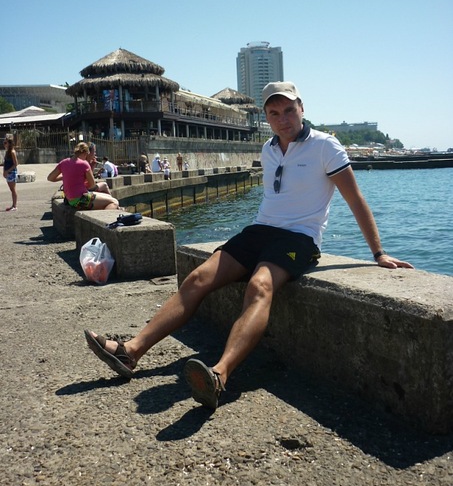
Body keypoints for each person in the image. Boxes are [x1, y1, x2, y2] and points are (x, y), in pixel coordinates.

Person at [84, 81, 414, 411]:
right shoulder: (268, 149)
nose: (283, 119)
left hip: (299, 238)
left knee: (259, 285)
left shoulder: (325, 146)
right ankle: (131, 351)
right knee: (198, 278)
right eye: (275, 113)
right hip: (258, 231)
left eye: (289, 110)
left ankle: (219, 374)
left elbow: (355, 199)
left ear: (301, 108)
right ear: (267, 118)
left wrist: (378, 253)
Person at [47, 142, 121, 210]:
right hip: (80, 199)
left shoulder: (63, 162)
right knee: (114, 202)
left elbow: (50, 178)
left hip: (70, 199)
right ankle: (106, 218)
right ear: (85, 153)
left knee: (109, 197)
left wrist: (67, 176)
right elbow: (92, 185)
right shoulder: (84, 164)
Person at [3, 136, 18, 211]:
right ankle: (13, 205)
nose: (4, 144)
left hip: (12, 172)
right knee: (11, 189)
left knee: (13, 189)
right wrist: (4, 171)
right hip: (8, 172)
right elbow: (5, 163)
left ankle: (14, 206)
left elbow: (16, 164)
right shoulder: (7, 152)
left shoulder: (12, 152)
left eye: (5, 142)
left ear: (9, 143)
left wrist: (8, 171)